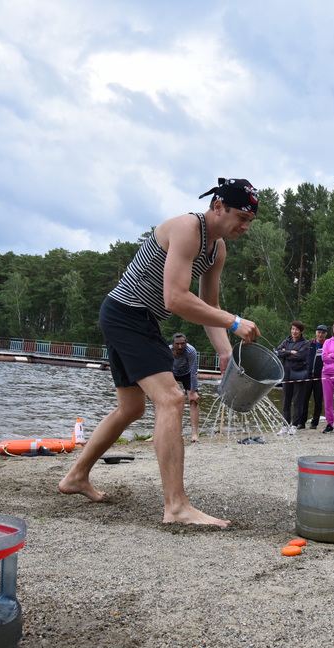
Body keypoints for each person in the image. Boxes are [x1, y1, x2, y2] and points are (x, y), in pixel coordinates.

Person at [58, 178, 260, 527]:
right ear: (218, 207)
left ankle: (75, 477)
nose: (245, 226)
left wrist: (226, 353)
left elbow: (208, 306)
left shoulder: (217, 249)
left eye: (250, 221)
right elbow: (175, 299)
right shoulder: (187, 229)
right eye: (241, 217)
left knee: (132, 408)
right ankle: (176, 506)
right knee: (172, 399)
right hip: (127, 314)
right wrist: (234, 321)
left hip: (137, 317)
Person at [276, 321, 312, 434]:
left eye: (296, 329)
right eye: (292, 329)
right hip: (286, 374)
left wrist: (286, 354)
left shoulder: (305, 343)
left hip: (299, 373)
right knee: (286, 400)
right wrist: (291, 352)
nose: (294, 331)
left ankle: (295, 425)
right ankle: (285, 425)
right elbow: (278, 352)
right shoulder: (286, 341)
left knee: (298, 400)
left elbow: (300, 356)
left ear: (301, 331)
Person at [169, 333, 201, 443]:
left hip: (187, 373)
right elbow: (163, 368)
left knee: (194, 401)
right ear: (172, 344)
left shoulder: (190, 351)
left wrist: (193, 391)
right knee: (166, 401)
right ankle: (164, 433)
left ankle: (194, 434)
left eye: (183, 344)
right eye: (177, 344)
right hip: (172, 373)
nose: (180, 347)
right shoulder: (167, 350)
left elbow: (193, 371)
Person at [303, 325, 328, 429]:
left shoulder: (327, 344)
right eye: (319, 332)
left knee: (318, 401)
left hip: (320, 377)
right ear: (316, 333)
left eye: (323, 333)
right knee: (304, 399)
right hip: (308, 376)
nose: (320, 334)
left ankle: (314, 422)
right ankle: (302, 422)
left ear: (326, 334)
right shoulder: (309, 343)